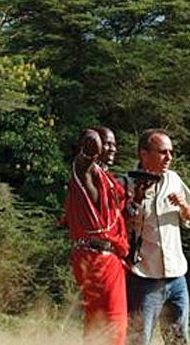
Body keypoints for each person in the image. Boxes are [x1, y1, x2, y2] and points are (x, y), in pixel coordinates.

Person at [126, 129, 190, 345]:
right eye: (162, 152)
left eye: (171, 152)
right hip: (144, 278)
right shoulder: (126, 183)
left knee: (178, 340)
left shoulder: (174, 179)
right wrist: (137, 200)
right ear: (143, 154)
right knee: (139, 340)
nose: (169, 157)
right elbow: (119, 222)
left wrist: (183, 206)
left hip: (177, 277)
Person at [64, 127, 129, 345]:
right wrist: (91, 143)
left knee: (102, 320)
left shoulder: (109, 181)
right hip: (96, 257)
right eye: (107, 143)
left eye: (113, 144)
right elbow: (84, 160)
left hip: (108, 258)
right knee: (111, 320)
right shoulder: (86, 173)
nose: (112, 148)